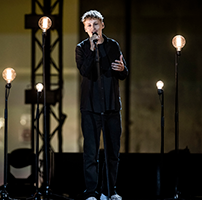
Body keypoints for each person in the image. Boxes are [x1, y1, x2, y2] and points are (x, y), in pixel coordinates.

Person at [75, 10, 128, 200]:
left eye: (96, 24)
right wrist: (92, 49)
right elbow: (84, 71)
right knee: (91, 152)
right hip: (90, 108)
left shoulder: (113, 45)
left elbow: (122, 73)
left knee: (112, 152)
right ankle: (91, 192)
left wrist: (123, 69)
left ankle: (109, 191)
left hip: (112, 107)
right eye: (89, 25)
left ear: (102, 25)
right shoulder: (81, 48)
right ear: (85, 28)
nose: (93, 28)